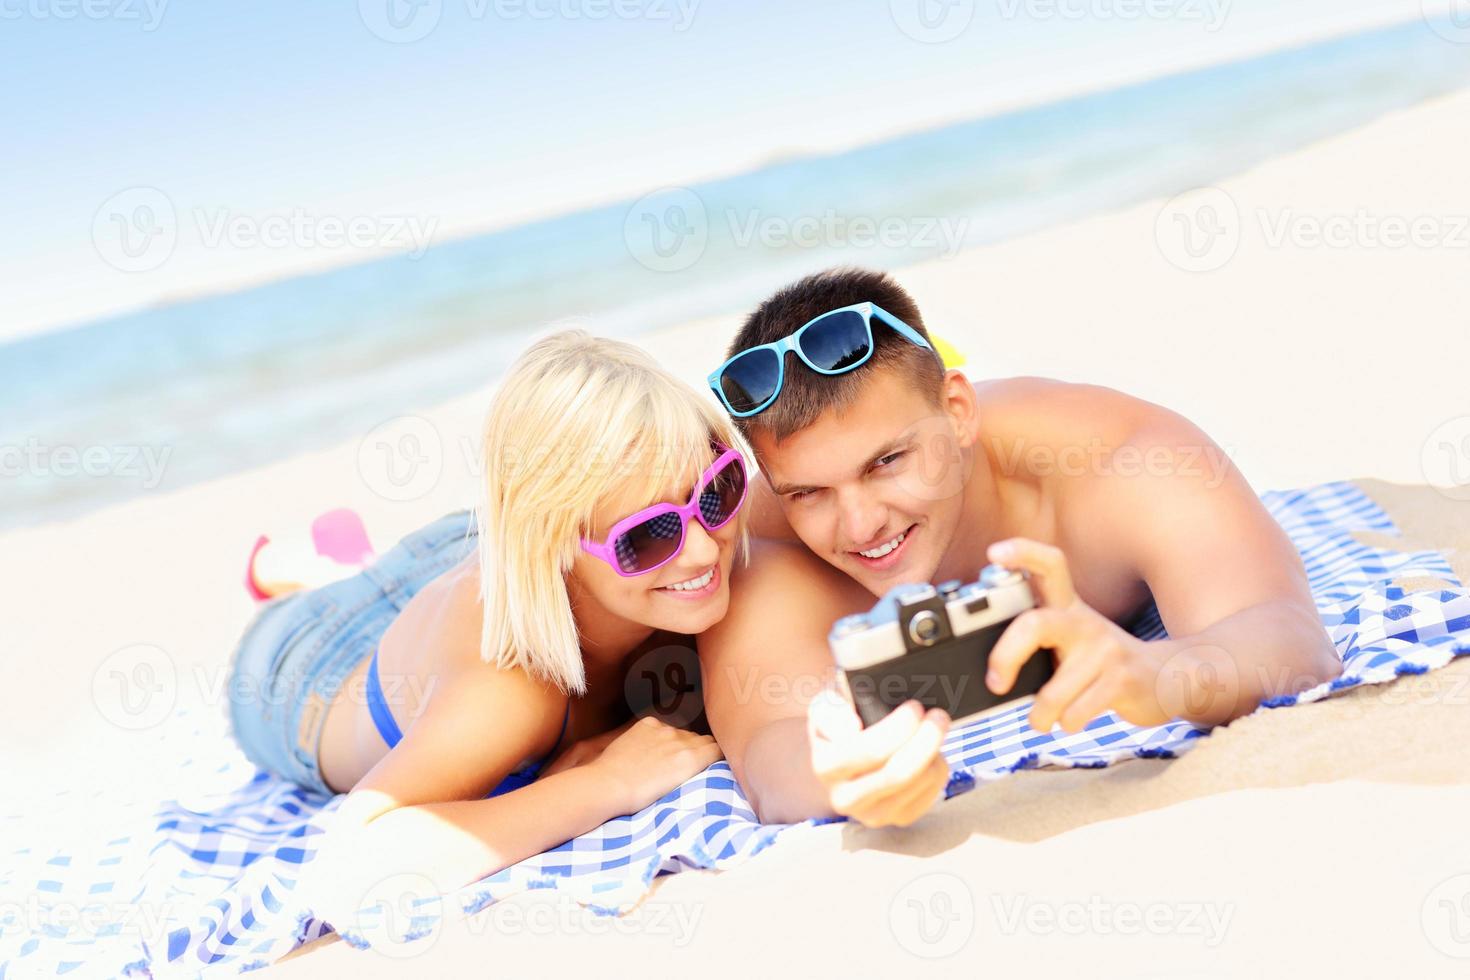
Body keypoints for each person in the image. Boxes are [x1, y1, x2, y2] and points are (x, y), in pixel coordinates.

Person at [699, 267, 1342, 828]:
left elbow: (1285, 636)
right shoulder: (768, 549)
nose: (861, 524)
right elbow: (768, 750)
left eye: (888, 462)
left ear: (956, 410)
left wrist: (1160, 676)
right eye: (810, 492)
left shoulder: (1114, 460)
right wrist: (841, 777)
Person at [224, 330, 748, 922]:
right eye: (648, 534)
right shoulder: (506, 690)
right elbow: (350, 868)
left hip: (461, 554)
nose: (705, 551)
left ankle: (342, 562)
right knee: (313, 594)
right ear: (552, 545)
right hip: (308, 666)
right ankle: (290, 572)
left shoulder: (639, 535)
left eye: (716, 491)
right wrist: (607, 782)